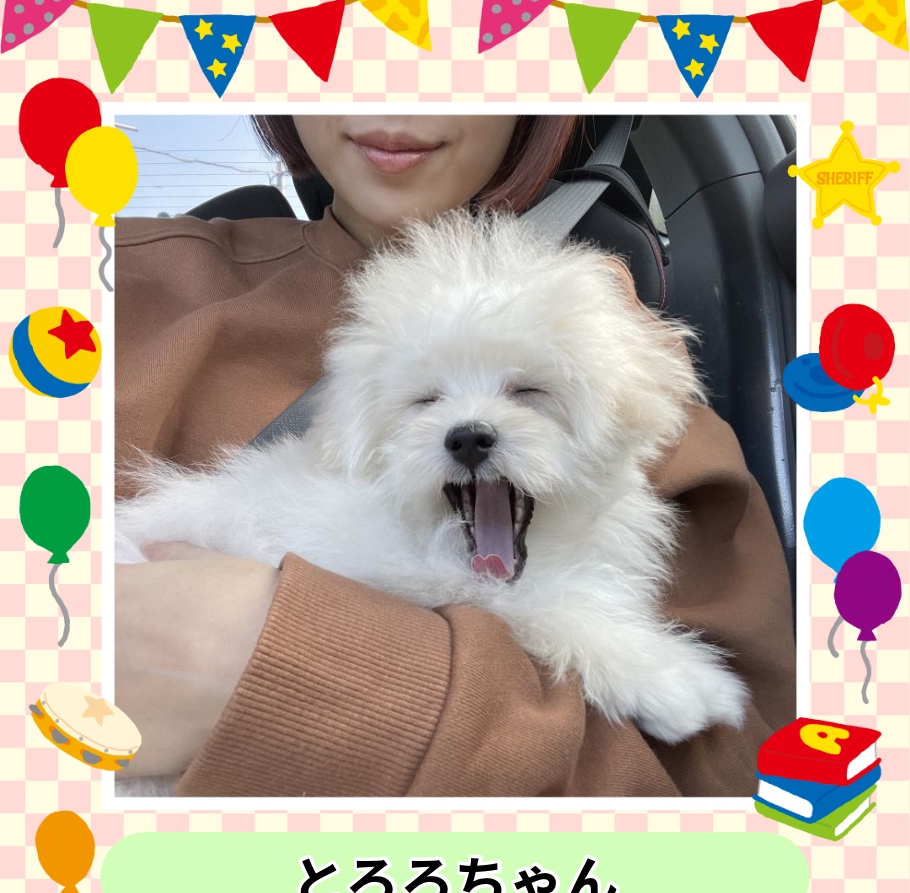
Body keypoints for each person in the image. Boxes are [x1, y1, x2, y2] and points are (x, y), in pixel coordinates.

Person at [114, 114, 795, 798]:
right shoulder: (103, 278)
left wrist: (291, 662)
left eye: (527, 392)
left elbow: (734, 776)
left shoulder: (649, 405)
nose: (395, 100)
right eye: (425, 400)